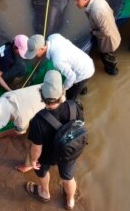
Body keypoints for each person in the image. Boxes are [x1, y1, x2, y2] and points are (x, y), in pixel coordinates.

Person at [22, 70, 82, 210]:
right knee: (68, 177)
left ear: (42, 95)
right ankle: (70, 201)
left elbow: (37, 147)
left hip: (47, 155)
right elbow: (80, 126)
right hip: (68, 152)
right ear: (61, 93)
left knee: (42, 171)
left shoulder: (38, 120)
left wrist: (33, 161)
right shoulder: (74, 106)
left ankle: (44, 193)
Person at [24, 33, 94, 101]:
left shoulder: (57, 61)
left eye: (35, 53)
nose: (35, 56)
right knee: (79, 85)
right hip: (85, 60)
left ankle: (76, 98)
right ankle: (82, 89)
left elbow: (72, 77)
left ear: (42, 49)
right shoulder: (53, 36)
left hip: (84, 72)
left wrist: (63, 89)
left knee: (70, 96)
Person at [70, 0, 121, 76]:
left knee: (107, 59)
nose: (75, 3)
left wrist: (93, 32)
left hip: (109, 43)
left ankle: (112, 71)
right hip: (115, 35)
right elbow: (112, 12)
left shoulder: (96, 11)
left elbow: (106, 33)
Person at [0, 83, 46, 151]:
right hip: (42, 86)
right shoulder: (4, 97)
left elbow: (19, 132)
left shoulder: (21, 119)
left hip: (50, 97)